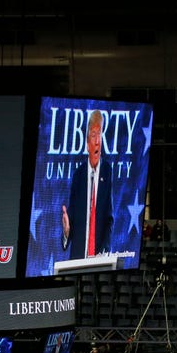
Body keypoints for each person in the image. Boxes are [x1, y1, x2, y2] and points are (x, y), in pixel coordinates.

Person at [61, 110, 114, 259]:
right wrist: (66, 232)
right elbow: (71, 219)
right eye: (93, 135)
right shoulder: (78, 175)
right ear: (87, 144)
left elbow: (109, 219)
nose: (97, 141)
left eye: (100, 134)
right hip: (78, 259)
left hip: (99, 259)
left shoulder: (107, 171)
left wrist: (103, 252)